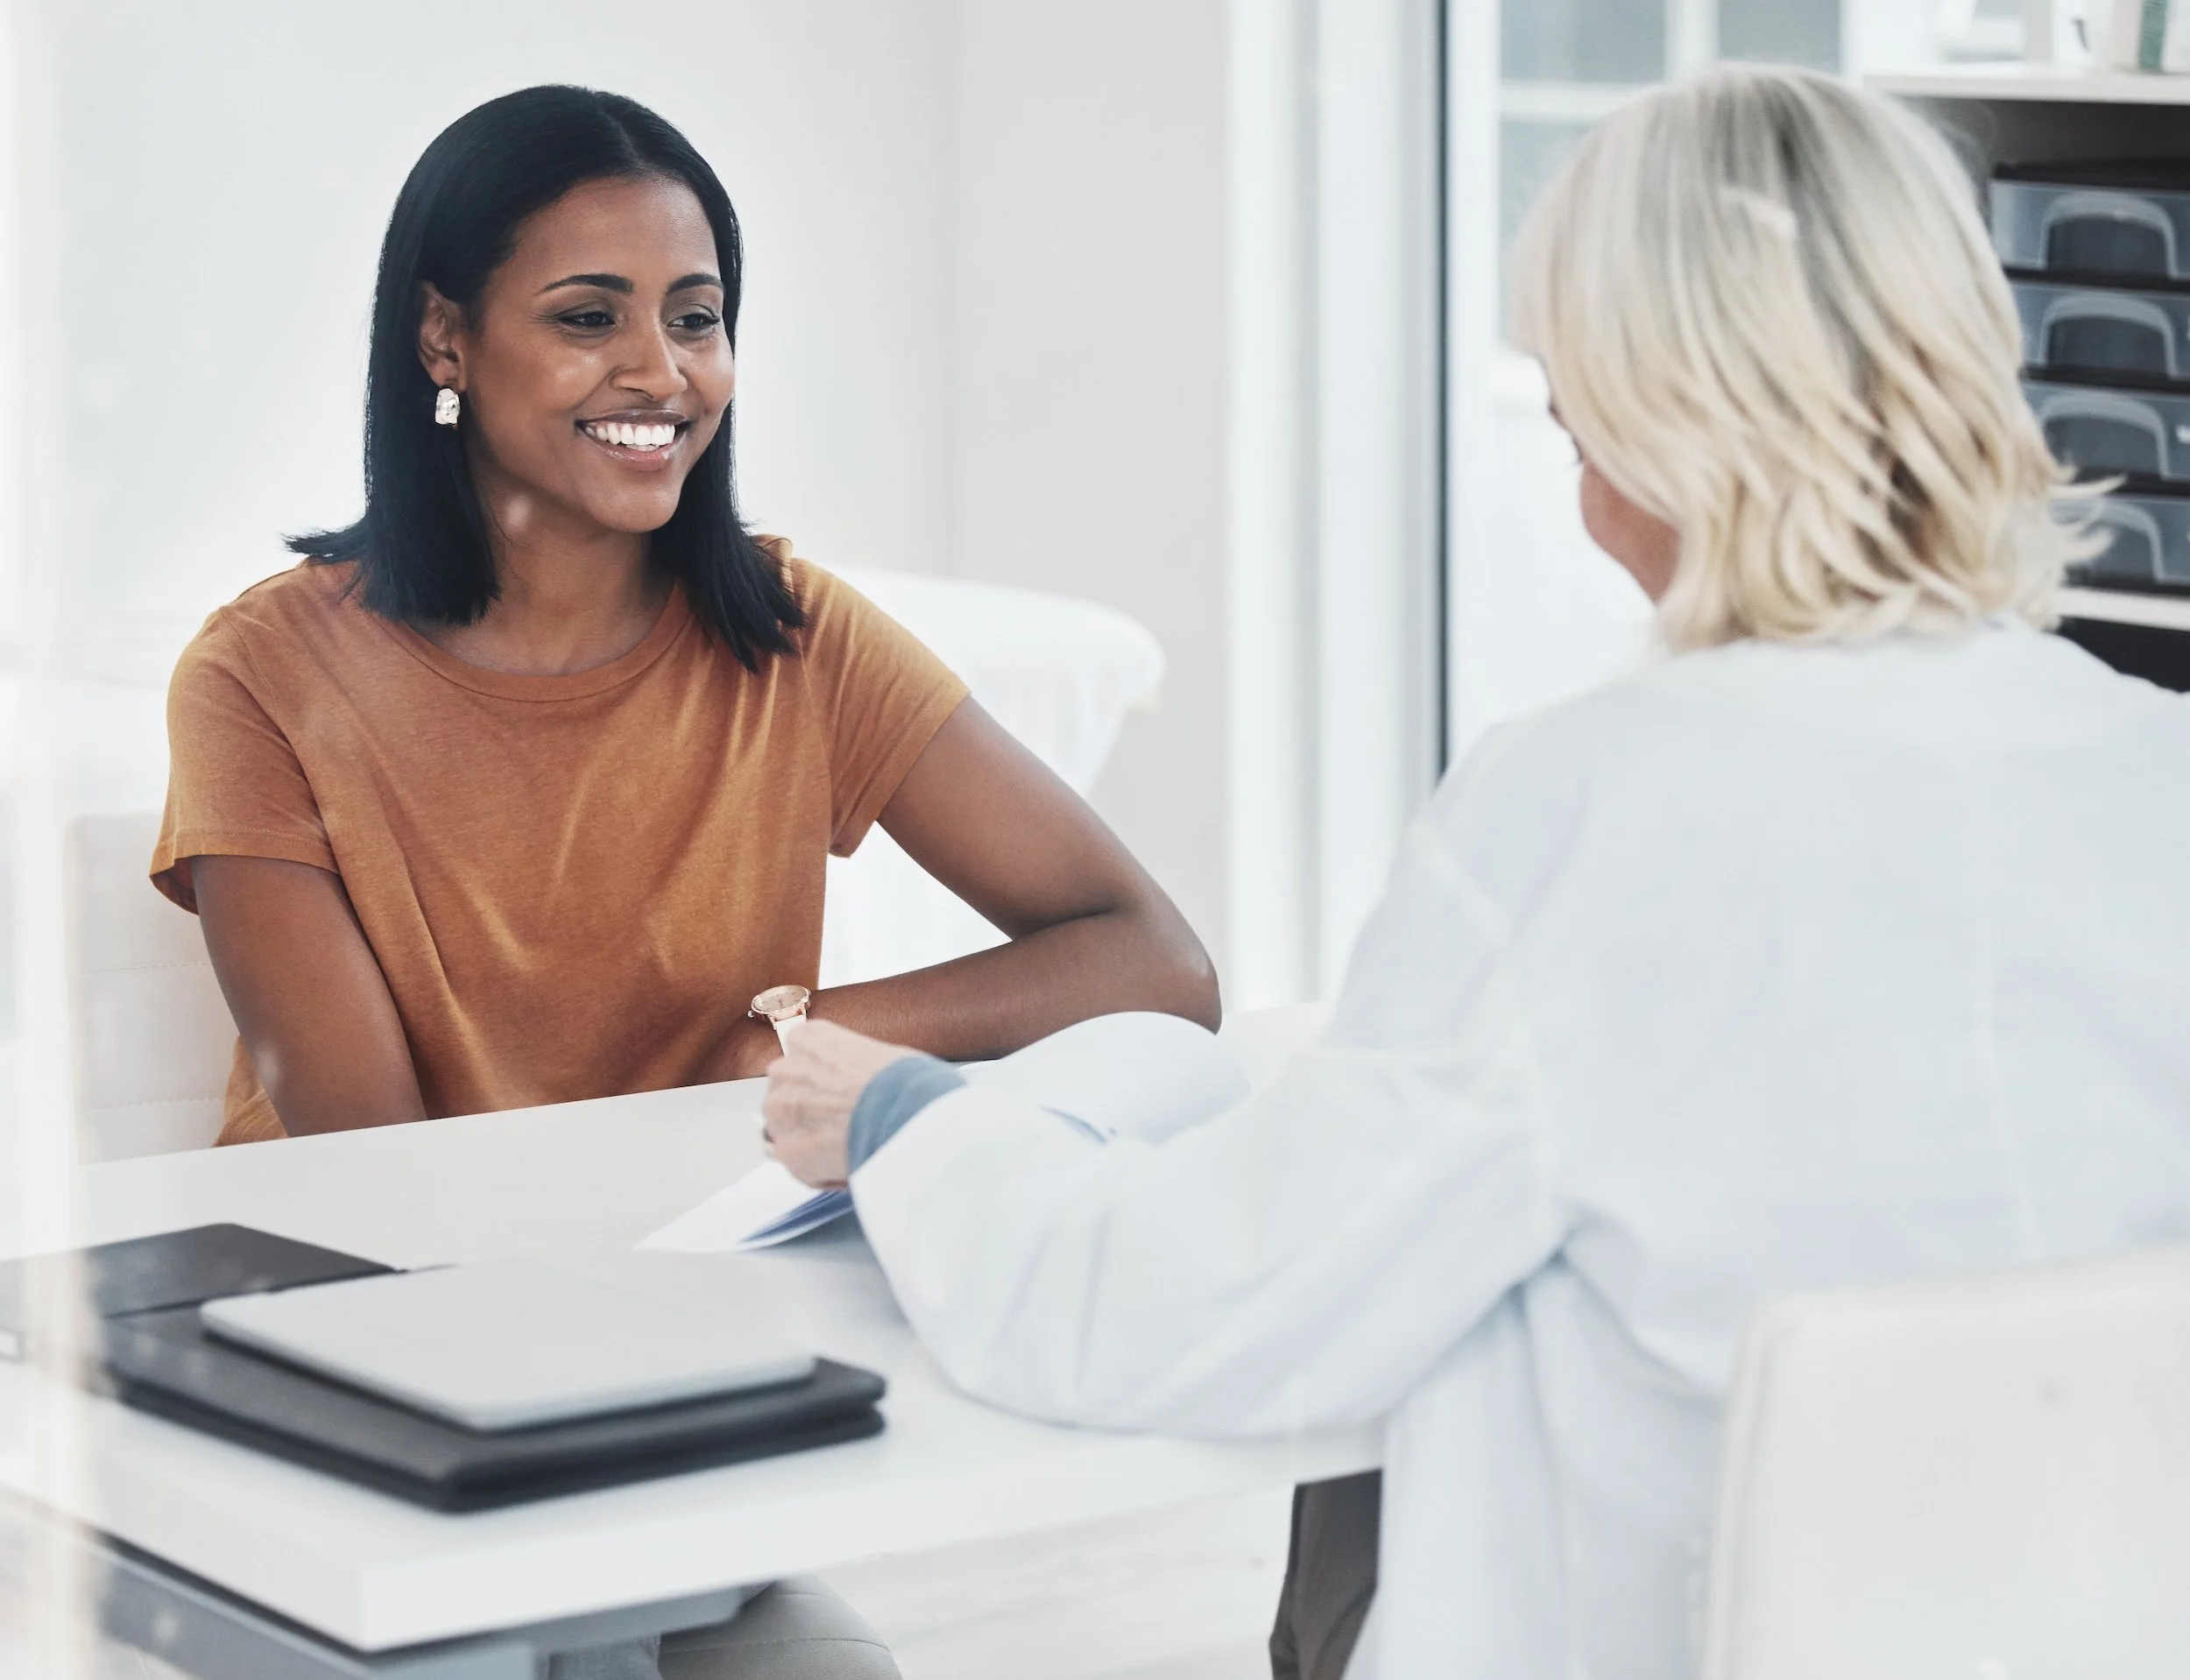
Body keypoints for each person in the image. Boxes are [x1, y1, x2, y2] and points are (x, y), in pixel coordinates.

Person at [761, 65, 2190, 1680]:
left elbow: (1192, 1315)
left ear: (1657, 424)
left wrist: (908, 1128)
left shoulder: (1587, 809)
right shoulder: (2159, 776)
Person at [152, 85, 1217, 1680]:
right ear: (444, 339)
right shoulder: (262, 673)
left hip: (669, 1392)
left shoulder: (792, 636)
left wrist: (796, 1050)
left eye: (698, 318)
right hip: (355, 1400)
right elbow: (371, 1171)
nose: (661, 373)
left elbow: (1153, 959)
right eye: (590, 318)